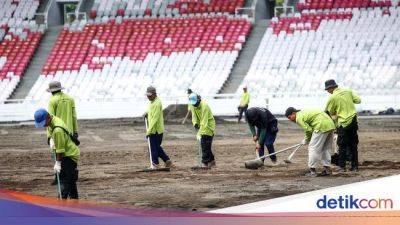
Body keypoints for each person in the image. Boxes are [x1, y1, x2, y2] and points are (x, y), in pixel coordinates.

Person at [34, 108, 80, 199]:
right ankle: (75, 202)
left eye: (44, 123)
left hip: (68, 155)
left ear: (48, 117)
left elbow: (60, 150)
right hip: (70, 152)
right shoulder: (54, 119)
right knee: (70, 180)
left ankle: (60, 203)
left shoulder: (57, 130)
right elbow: (50, 129)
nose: (44, 126)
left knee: (64, 181)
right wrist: (51, 139)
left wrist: (58, 163)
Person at [285, 107, 335, 177]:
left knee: (312, 148)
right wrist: (308, 138)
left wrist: (306, 139)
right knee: (325, 148)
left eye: (290, 117)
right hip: (330, 125)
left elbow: (308, 130)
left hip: (321, 126)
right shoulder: (303, 112)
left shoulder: (298, 118)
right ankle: (327, 169)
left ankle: (312, 171)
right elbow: (310, 130)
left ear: (293, 113)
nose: (290, 120)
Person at [324, 79, 361, 172]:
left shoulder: (332, 97)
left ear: (331, 88)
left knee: (342, 145)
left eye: (327, 90)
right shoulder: (348, 90)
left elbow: (330, 112)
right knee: (353, 145)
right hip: (353, 121)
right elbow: (358, 100)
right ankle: (355, 167)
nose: (327, 92)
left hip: (343, 123)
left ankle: (342, 167)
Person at [46, 81, 78, 185]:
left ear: (51, 91)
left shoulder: (52, 101)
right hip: (70, 131)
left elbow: (49, 119)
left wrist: (49, 135)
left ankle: (58, 176)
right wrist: (75, 131)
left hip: (58, 130)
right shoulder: (70, 98)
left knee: (58, 152)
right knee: (69, 152)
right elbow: (74, 116)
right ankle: (72, 174)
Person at [144, 86, 173, 169]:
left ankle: (155, 164)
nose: (148, 97)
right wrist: (147, 113)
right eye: (147, 95)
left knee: (153, 147)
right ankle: (167, 161)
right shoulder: (152, 102)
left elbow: (155, 119)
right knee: (156, 147)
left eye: (149, 95)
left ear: (154, 94)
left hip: (156, 130)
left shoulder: (157, 103)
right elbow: (151, 112)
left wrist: (149, 131)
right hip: (153, 129)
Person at [188, 93, 216, 168]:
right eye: (193, 104)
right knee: (206, 145)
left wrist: (199, 133)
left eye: (195, 103)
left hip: (209, 126)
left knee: (204, 145)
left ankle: (204, 163)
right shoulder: (192, 105)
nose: (194, 105)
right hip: (201, 126)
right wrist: (195, 124)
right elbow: (194, 116)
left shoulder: (204, 106)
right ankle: (212, 161)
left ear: (198, 100)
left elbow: (204, 121)